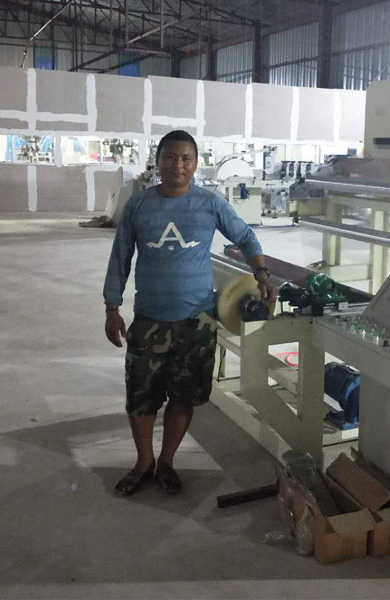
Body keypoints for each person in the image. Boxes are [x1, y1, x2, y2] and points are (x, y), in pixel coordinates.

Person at [103, 130, 275, 496]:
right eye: (170, 157)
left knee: (184, 396)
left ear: (196, 164)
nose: (177, 165)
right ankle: (144, 462)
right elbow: (120, 258)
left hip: (196, 321)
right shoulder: (138, 206)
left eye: (186, 158)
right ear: (158, 161)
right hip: (149, 320)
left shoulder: (210, 204)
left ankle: (166, 461)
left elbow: (246, 237)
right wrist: (112, 307)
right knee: (141, 397)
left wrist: (261, 273)